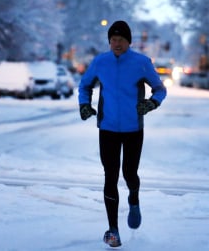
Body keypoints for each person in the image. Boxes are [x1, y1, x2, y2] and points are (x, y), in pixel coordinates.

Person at [78, 20, 167, 248]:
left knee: (129, 173)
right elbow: (84, 85)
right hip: (107, 128)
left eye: (121, 40)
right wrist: (84, 104)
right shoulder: (100, 62)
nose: (116, 43)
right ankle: (113, 230)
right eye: (113, 40)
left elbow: (160, 89)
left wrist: (151, 104)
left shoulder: (141, 63)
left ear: (129, 41)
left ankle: (134, 198)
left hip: (132, 129)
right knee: (110, 175)